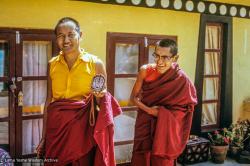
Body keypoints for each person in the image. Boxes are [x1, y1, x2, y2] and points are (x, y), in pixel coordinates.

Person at [36, 17, 121, 166]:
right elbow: (49, 101)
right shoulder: (52, 64)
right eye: (61, 36)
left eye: (70, 34)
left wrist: (100, 96)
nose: (66, 40)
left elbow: (102, 103)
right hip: (57, 130)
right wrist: (44, 137)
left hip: (82, 133)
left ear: (80, 35)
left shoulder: (95, 64)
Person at [130, 39, 197, 166]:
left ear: (175, 58)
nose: (159, 62)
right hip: (144, 123)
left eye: (165, 58)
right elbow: (132, 99)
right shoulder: (145, 71)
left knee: (162, 162)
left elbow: (185, 110)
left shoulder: (181, 79)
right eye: (157, 56)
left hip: (166, 130)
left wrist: (159, 113)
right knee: (142, 158)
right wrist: (149, 110)